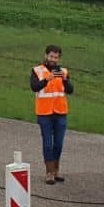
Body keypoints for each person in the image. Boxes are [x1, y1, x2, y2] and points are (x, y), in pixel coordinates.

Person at [31, 44, 74, 184]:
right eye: (51, 56)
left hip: (60, 112)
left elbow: (70, 90)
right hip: (44, 113)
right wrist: (47, 79)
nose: (53, 59)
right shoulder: (37, 70)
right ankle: (49, 172)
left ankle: (56, 170)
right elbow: (34, 87)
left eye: (56, 57)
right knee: (47, 143)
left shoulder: (64, 72)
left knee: (59, 143)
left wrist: (65, 80)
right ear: (46, 56)